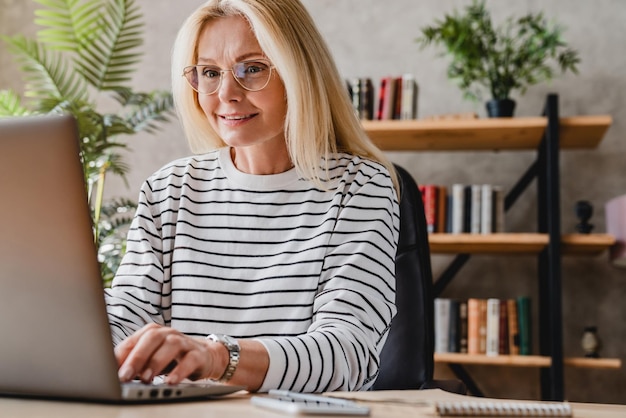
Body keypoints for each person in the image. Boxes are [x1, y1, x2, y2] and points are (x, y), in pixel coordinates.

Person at [105, 0, 400, 393]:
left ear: (300, 74)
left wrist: (216, 358)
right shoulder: (168, 189)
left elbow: (347, 355)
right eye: (209, 72)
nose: (226, 93)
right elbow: (124, 319)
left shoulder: (360, 187)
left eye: (253, 69)